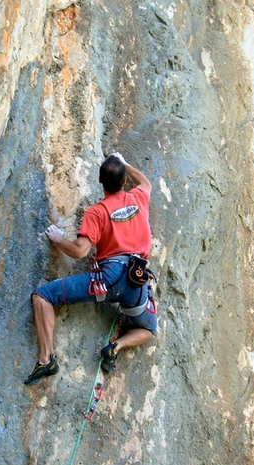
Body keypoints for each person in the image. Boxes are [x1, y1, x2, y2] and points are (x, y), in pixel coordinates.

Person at [24, 152, 157, 385]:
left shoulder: (97, 212)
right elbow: (145, 182)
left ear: (99, 181)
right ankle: (116, 347)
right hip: (137, 281)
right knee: (148, 329)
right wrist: (124, 162)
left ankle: (46, 360)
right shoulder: (138, 197)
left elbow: (80, 250)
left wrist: (58, 239)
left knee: (43, 297)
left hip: (108, 280)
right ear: (125, 180)